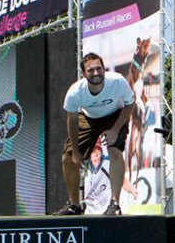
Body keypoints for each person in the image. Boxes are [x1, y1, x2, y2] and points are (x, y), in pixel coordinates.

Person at [55, 53, 135, 216]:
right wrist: (76, 151)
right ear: (84, 74)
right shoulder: (75, 92)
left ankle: (114, 204)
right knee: (68, 157)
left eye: (99, 68)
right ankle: (75, 205)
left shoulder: (118, 81)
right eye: (91, 70)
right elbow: (72, 121)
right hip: (89, 117)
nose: (96, 73)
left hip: (115, 115)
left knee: (114, 151)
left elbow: (130, 104)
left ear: (104, 69)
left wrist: (115, 129)